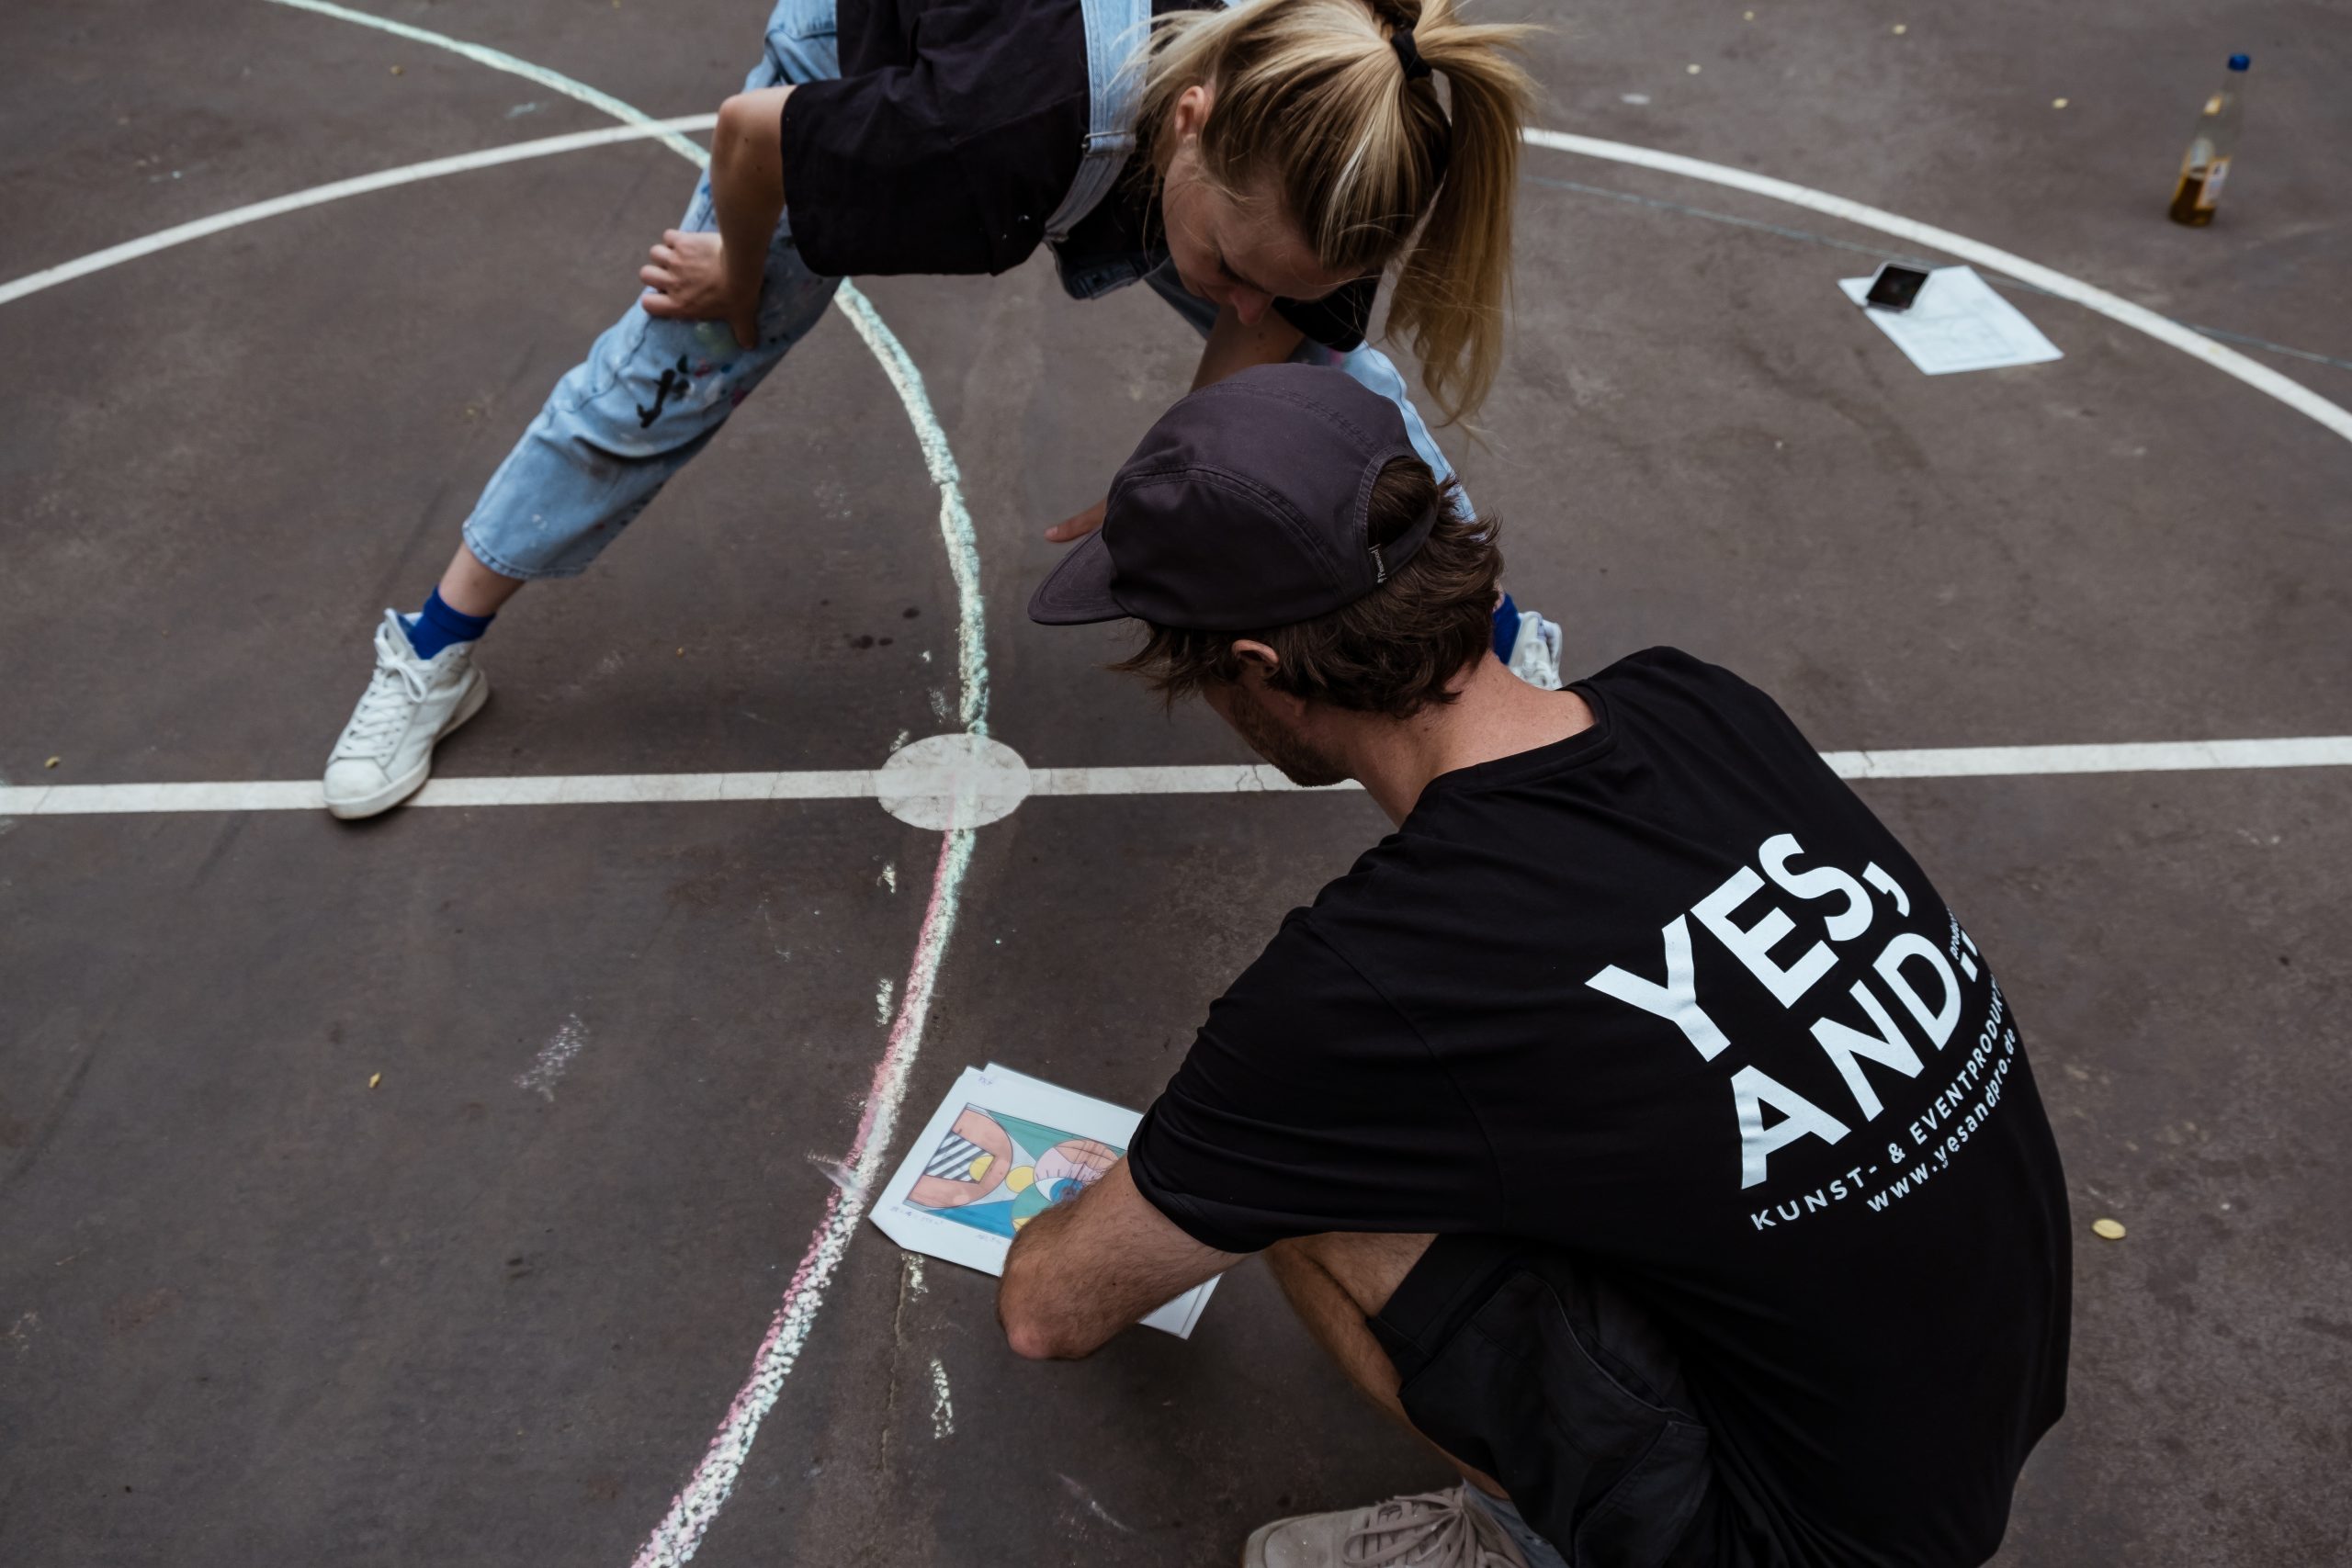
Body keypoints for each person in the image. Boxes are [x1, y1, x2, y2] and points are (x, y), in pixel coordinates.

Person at [997, 364, 2073, 1568]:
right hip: (1973, 1419)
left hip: (1794, 1546)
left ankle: (1525, 1541)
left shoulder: (1376, 976)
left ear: (1260, 671)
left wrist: (1063, 1224)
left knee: (1295, 1192)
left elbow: (1052, 1310)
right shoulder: (1692, 703)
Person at [321, 0, 1557, 818]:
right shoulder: (986, 134)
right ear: (1191, 126)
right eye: (1228, 269)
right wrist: (737, 273)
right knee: (671, 365)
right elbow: (754, 135)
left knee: (1342, 388)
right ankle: (435, 646)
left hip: (1084, 99)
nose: (1235, 304)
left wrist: (1176, 487)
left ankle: (1496, 646)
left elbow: (1275, 328)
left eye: (1279, 283)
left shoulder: (1348, 120)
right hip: (887, 60)